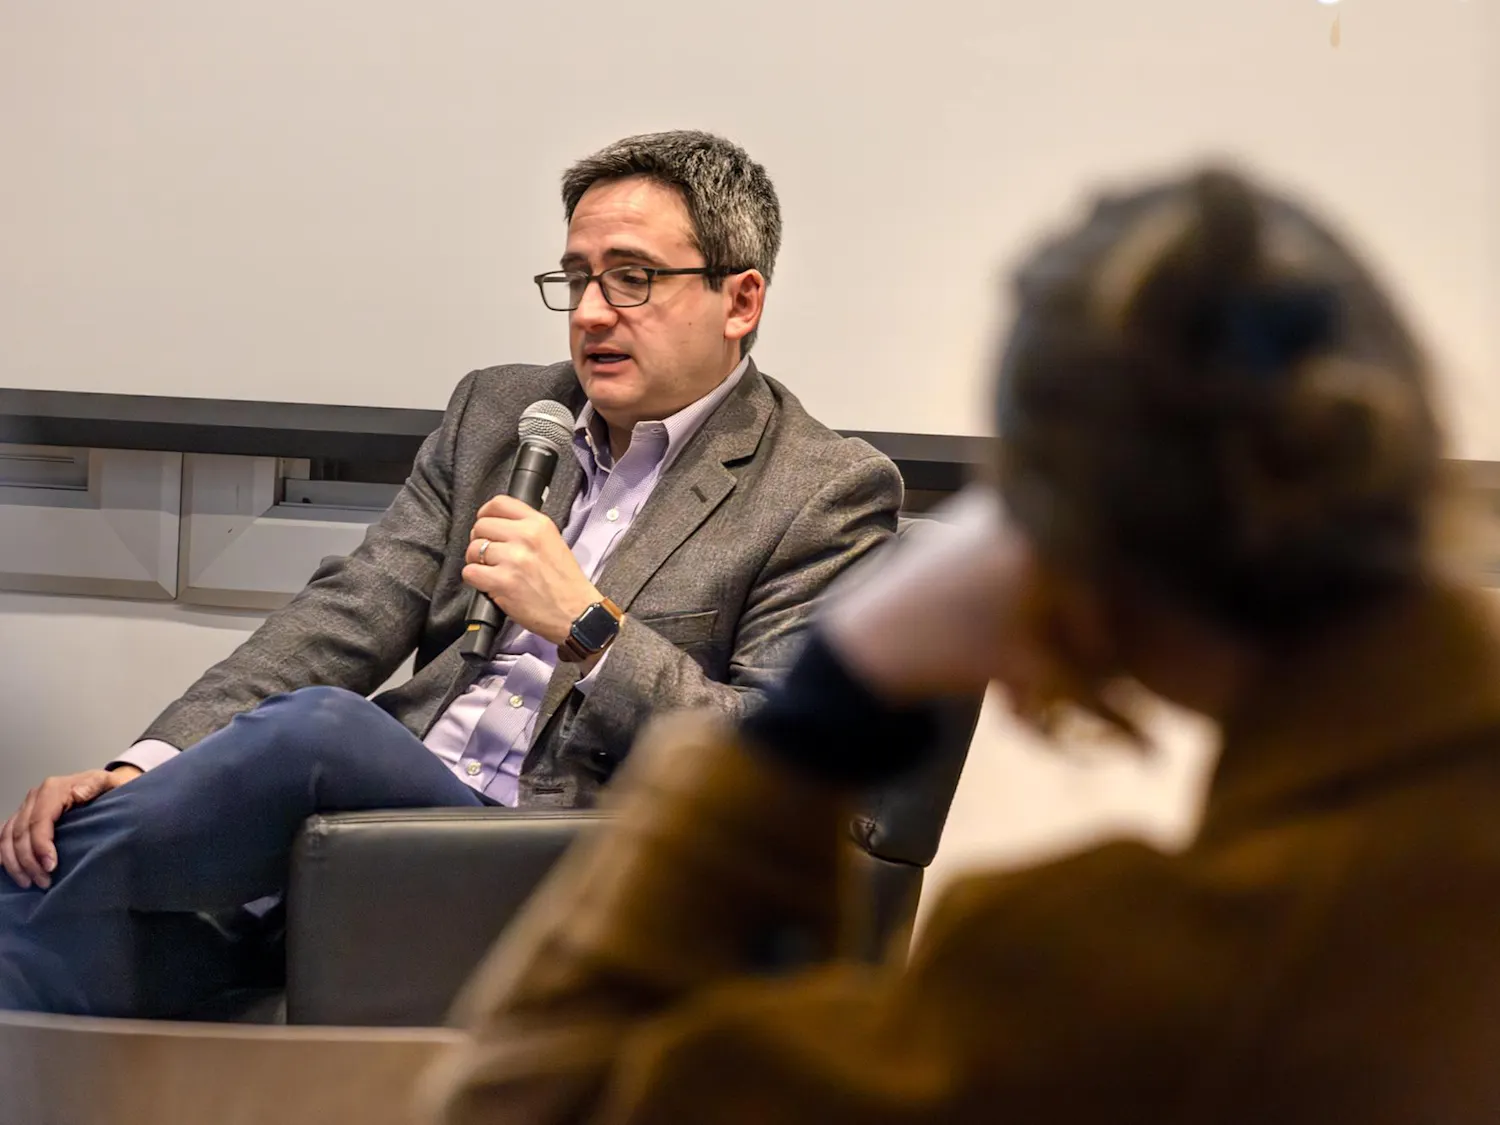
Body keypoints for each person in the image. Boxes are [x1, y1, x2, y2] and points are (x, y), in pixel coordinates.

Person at [423, 167, 1500, 1125]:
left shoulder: (1111, 975)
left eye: (636, 276)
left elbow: (537, 1098)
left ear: (1063, 547)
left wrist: (812, 722)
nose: (595, 314)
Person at [0, 130, 902, 1018]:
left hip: (554, 871)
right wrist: (144, 768)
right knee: (31, 950)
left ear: (739, 300)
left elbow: (791, 766)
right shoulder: (504, 409)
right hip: (349, 855)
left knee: (322, 733)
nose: (591, 312)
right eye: (578, 277)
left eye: (632, 278)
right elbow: (349, 612)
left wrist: (590, 629)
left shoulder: (820, 489)